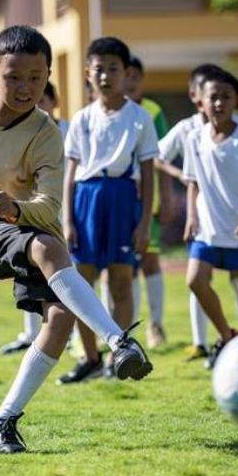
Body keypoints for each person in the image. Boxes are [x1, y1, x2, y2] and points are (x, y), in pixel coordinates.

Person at [0, 26, 152, 453]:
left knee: (59, 321)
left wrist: (18, 207)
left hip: (30, 225)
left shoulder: (47, 134)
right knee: (48, 248)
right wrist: (0, 205)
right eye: (13, 77)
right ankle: (119, 341)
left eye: (36, 78)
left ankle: (3, 421)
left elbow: (48, 206)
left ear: (48, 78)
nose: (25, 88)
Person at [157, 63, 238, 362]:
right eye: (213, 97)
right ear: (202, 101)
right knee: (195, 281)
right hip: (207, 228)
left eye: (226, 96)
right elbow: (193, 181)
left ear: (237, 101)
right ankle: (227, 335)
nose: (219, 102)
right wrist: (193, 218)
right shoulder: (195, 137)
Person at [58, 37, 158, 384]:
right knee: (81, 284)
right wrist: (68, 219)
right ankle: (89, 358)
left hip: (121, 198)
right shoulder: (82, 119)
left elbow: (147, 175)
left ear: (126, 73)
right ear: (88, 73)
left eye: (113, 69)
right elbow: (70, 175)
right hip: (86, 199)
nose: (105, 76)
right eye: (98, 69)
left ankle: (121, 356)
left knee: (120, 282)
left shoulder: (140, 119)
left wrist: (144, 224)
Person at [0, 81, 67, 356]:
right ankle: (31, 334)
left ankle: (70, 332)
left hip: (61, 210)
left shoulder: (67, 131)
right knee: (28, 271)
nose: (38, 107)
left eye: (43, 101)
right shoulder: (19, 134)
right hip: (28, 211)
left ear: (54, 102)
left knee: (65, 272)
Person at [114, 55, 172, 348]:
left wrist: (168, 198)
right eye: (128, 75)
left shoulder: (152, 111)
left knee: (150, 260)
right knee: (125, 266)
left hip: (150, 199)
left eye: (137, 76)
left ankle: (157, 325)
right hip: (121, 200)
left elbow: (162, 159)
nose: (131, 81)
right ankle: (129, 327)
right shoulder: (110, 112)